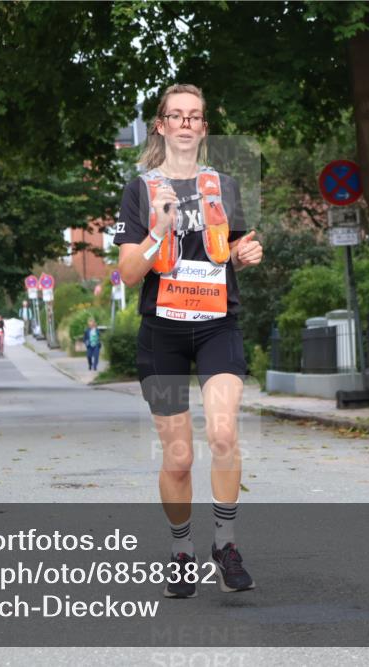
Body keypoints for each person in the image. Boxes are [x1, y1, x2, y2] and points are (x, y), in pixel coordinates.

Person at [114, 84, 264, 599]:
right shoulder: (140, 189)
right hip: (163, 333)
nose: (184, 123)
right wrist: (157, 231)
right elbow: (130, 273)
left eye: (194, 116)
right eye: (175, 116)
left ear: (203, 127)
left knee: (223, 435)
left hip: (218, 323)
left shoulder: (225, 184)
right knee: (178, 458)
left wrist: (247, 253)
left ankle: (225, 544)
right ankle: (181, 551)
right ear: (160, 125)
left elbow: (237, 246)